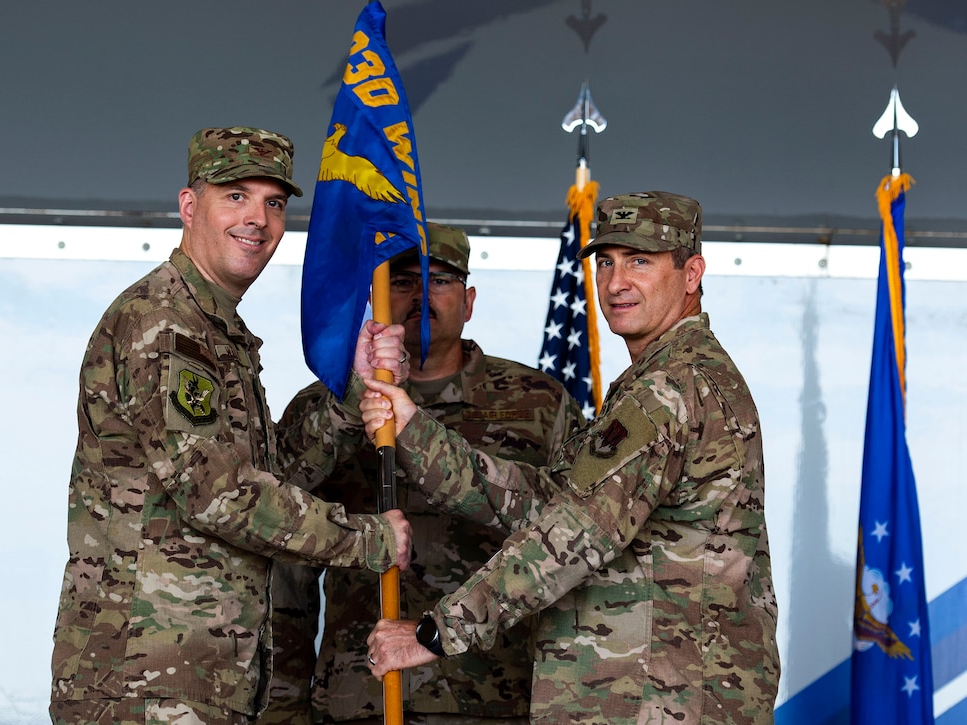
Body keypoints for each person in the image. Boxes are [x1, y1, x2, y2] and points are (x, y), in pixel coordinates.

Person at [361, 192, 780, 723]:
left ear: (691, 272)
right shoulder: (661, 379)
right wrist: (416, 429)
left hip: (662, 699)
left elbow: (575, 532)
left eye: (640, 262)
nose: (616, 282)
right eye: (606, 262)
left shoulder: (672, 387)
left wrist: (436, 633)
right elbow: (550, 504)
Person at [49, 126, 414, 725]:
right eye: (236, 196)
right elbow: (219, 495)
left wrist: (349, 393)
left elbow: (273, 476)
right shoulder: (167, 324)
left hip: (195, 676)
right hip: (143, 680)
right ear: (189, 206)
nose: (259, 219)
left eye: (274, 203)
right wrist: (367, 540)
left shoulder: (215, 330)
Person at [260, 222, 585, 725]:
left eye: (440, 281)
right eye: (404, 280)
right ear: (376, 297)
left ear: (469, 300)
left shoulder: (538, 403)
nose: (421, 296)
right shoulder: (327, 404)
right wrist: (282, 707)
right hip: (358, 696)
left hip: (498, 697)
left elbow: (575, 543)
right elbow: (285, 563)